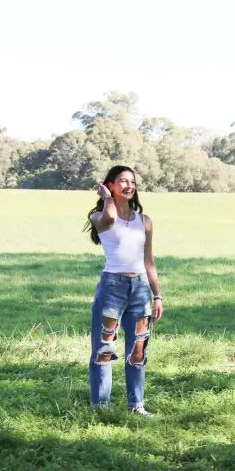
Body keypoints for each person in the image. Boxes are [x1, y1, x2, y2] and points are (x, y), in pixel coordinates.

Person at [83, 165, 164, 416]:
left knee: (138, 348)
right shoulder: (99, 216)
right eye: (122, 181)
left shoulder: (145, 221)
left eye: (132, 182)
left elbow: (148, 261)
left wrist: (157, 294)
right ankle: (101, 407)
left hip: (140, 288)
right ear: (110, 184)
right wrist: (107, 198)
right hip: (112, 287)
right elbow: (109, 219)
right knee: (104, 347)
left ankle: (136, 405)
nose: (129, 186)